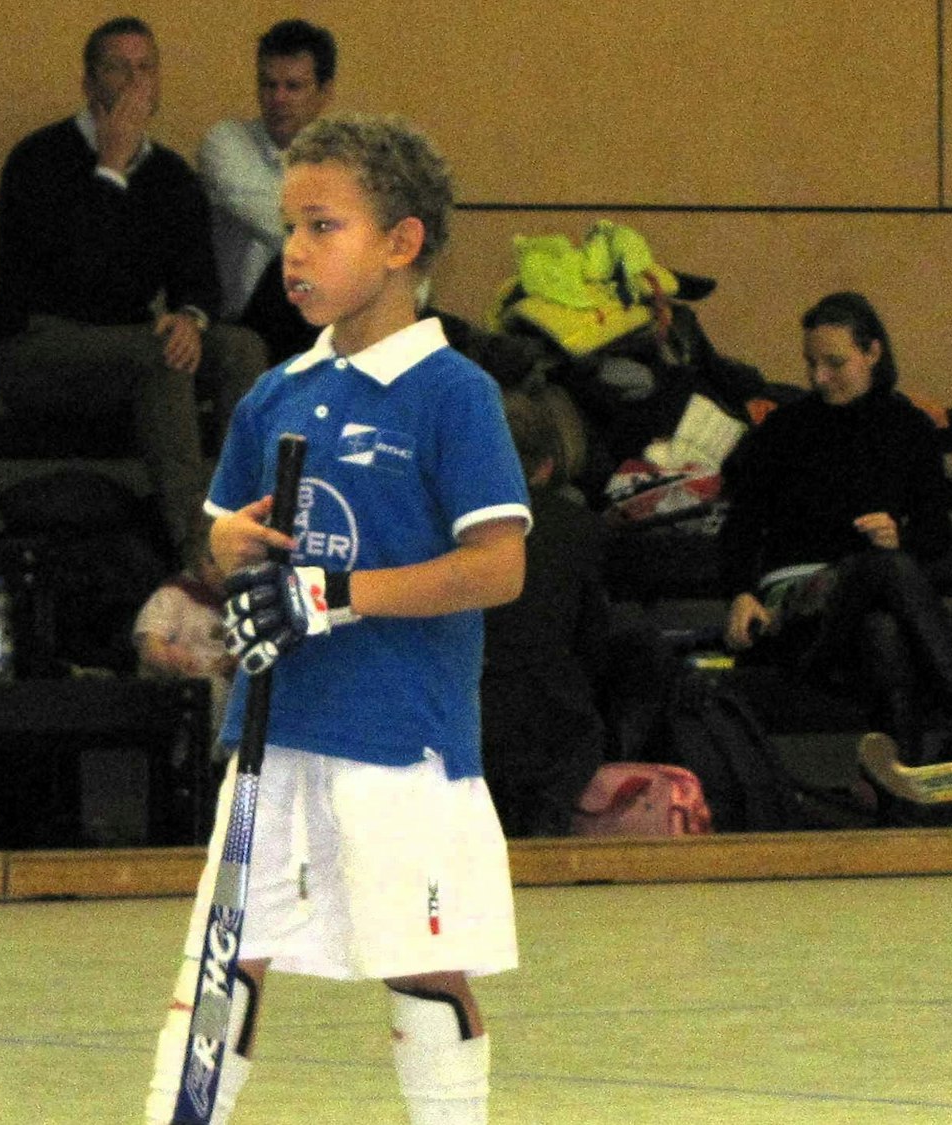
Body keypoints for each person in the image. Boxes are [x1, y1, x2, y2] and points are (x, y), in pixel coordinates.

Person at [143, 115, 531, 1125]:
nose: (295, 253)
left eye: (323, 226)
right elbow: (224, 535)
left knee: (420, 971)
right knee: (220, 964)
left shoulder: (453, 394)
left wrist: (339, 595)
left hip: (398, 737)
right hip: (275, 731)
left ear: (401, 244)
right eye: (288, 228)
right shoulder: (276, 393)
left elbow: (496, 566)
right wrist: (229, 552)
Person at [0, 17, 267, 566]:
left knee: (242, 349)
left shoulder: (169, 176)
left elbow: (200, 282)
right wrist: (110, 169)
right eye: (118, 68)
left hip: (131, 345)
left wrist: (190, 316)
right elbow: (71, 277)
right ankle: (197, 551)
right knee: (158, 355)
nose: (135, 82)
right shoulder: (37, 159)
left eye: (146, 69)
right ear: (89, 83)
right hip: (37, 349)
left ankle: (241, 521)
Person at [719, 292, 952, 769]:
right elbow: (740, 525)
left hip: (868, 615)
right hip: (798, 611)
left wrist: (900, 537)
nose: (820, 378)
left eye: (835, 363)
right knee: (883, 572)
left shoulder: (908, 428)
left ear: (873, 353)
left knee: (884, 631)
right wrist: (740, 592)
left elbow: (935, 534)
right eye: (811, 364)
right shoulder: (784, 430)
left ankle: (897, 792)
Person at [479, 386, 612, 838]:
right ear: (548, 466)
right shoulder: (576, 528)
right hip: (549, 716)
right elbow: (594, 640)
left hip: (465, 708)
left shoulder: (442, 524)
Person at [198, 19, 337, 363]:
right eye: (268, 85)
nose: (278, 99)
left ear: (324, 93)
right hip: (245, 317)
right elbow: (272, 219)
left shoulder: (342, 159)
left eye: (293, 87)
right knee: (294, 260)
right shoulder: (226, 142)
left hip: (321, 303)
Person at [132, 548, 235, 747]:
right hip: (176, 694)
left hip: (222, 691)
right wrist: (169, 657)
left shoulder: (236, 605)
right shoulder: (172, 596)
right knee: (212, 691)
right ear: (205, 562)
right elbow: (150, 646)